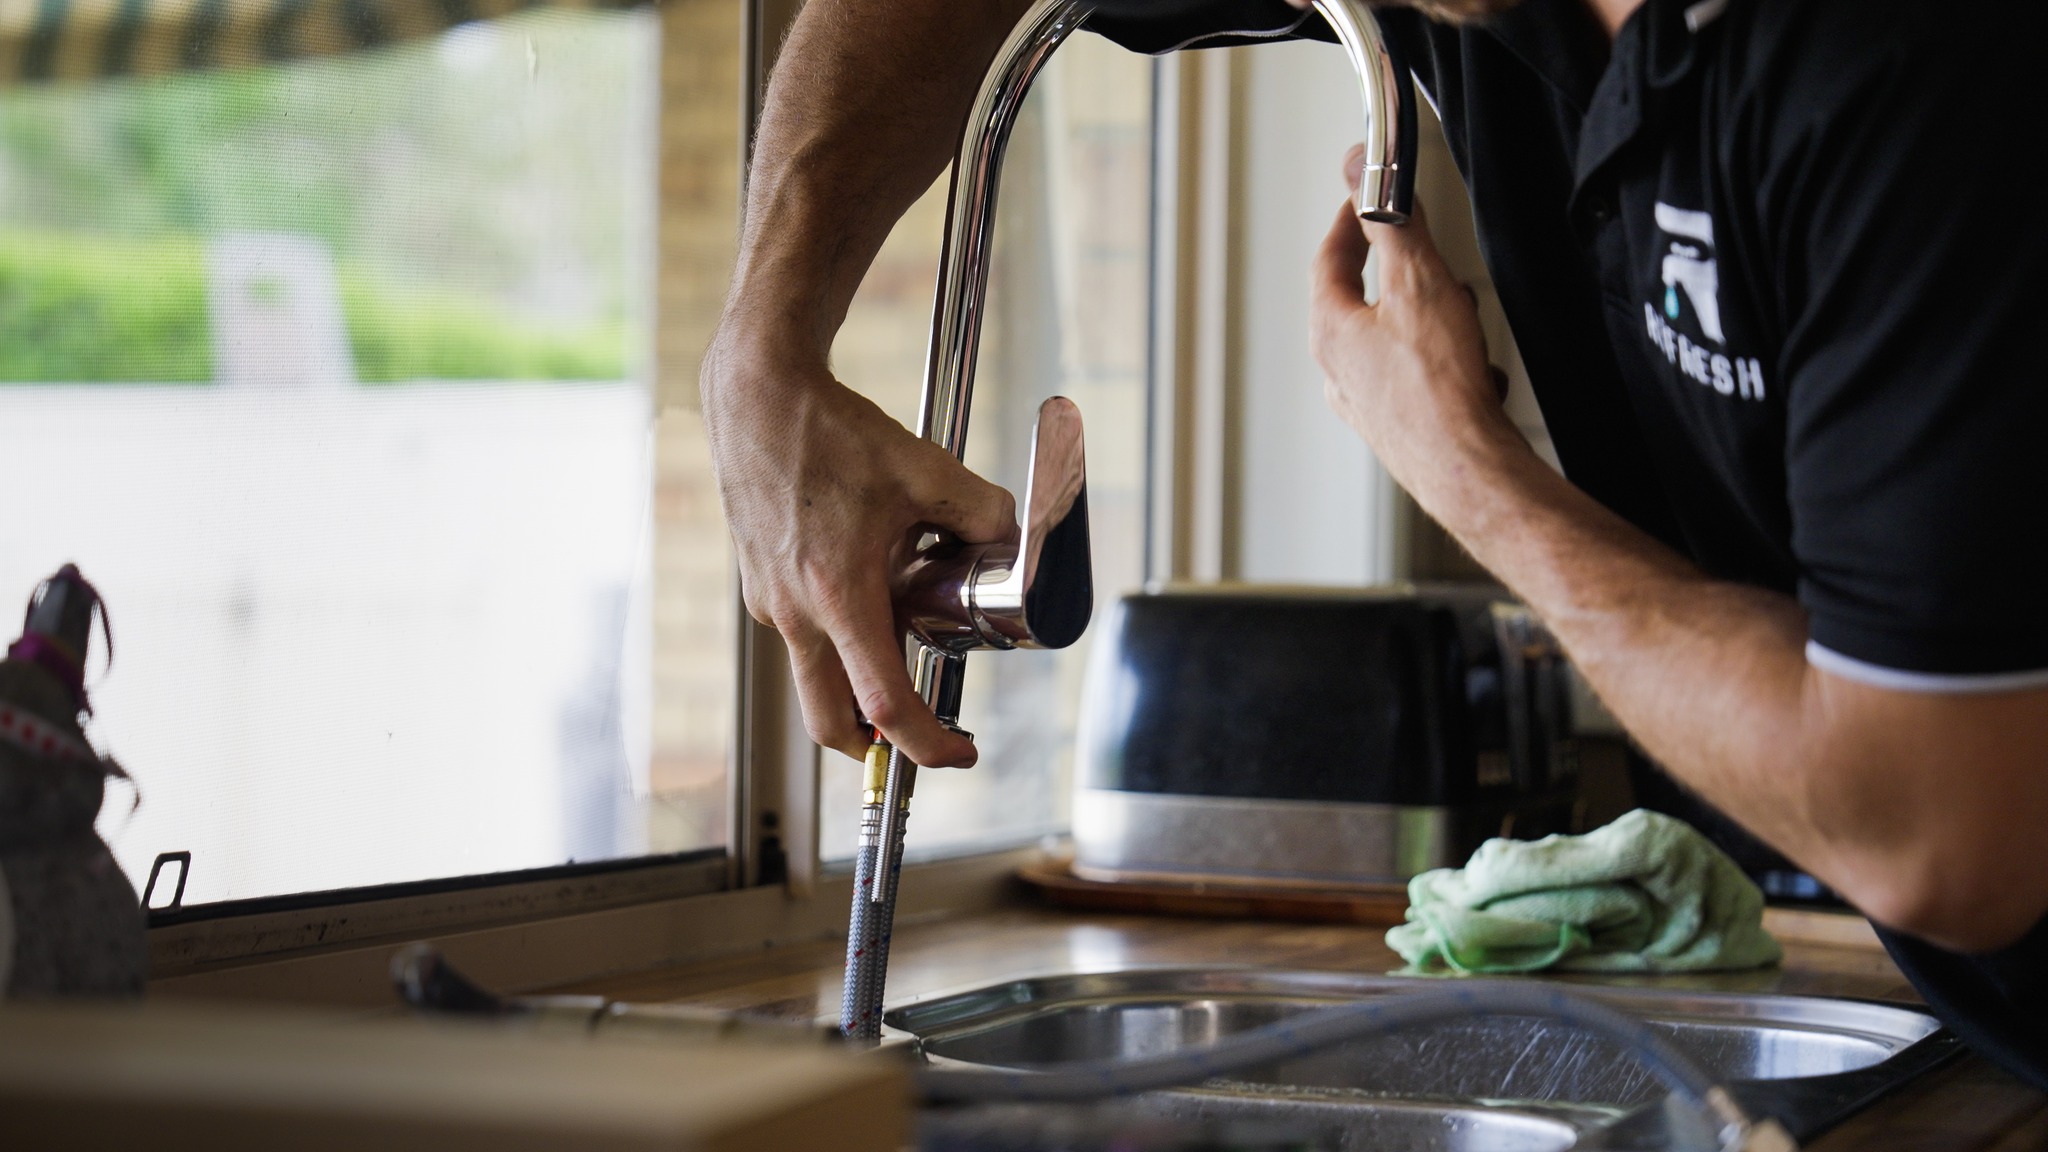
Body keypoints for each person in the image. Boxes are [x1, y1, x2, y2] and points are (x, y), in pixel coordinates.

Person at [700, 0, 2048, 1087]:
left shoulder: (1909, 61)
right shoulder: (1495, 23)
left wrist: (1461, 463)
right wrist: (760, 360)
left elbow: (1940, 834)